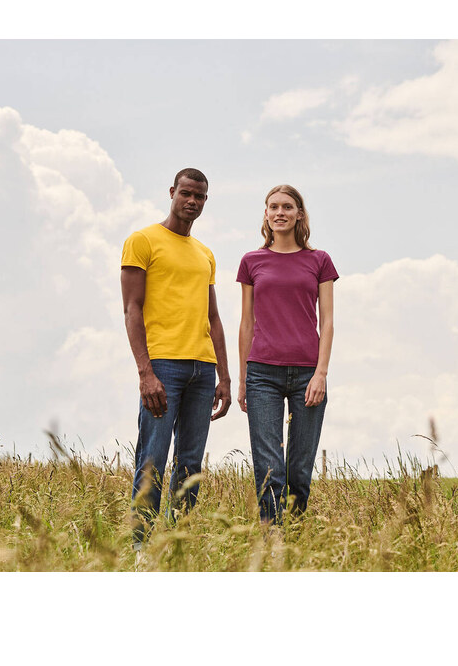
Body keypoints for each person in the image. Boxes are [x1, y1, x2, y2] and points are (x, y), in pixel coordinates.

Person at [121, 168, 231, 549]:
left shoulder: (205, 254)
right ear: (172, 192)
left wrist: (226, 377)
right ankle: (140, 548)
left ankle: (177, 544)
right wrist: (145, 372)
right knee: (152, 457)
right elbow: (132, 309)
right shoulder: (143, 240)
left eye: (199, 197)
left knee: (190, 464)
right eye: (186, 193)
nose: (192, 202)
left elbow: (213, 317)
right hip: (163, 365)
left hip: (203, 370)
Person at [236, 184, 338, 523]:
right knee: (269, 466)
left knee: (299, 467)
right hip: (262, 373)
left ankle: (295, 534)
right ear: (266, 214)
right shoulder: (251, 261)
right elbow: (246, 323)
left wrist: (321, 374)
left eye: (287, 207)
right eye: (273, 207)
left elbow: (328, 322)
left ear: (299, 214)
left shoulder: (319, 261)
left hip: (308, 373)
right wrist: (242, 379)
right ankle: (272, 537)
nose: (280, 212)